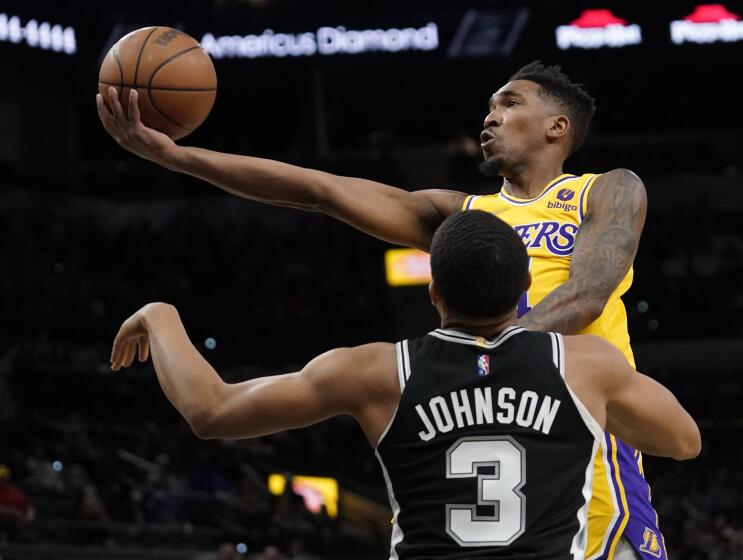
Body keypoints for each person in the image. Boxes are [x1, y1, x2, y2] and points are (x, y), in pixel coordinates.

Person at [98, 60, 655, 559]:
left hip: (594, 477)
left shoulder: (606, 189)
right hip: (485, 463)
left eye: (509, 104)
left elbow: (587, 294)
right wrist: (178, 157)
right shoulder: (462, 218)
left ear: (559, 127)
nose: (489, 117)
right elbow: (321, 189)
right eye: (489, 106)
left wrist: (479, 357)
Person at [110, 211, 700, 560]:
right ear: (524, 285)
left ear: (434, 293)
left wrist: (161, 315)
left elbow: (210, 410)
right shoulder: (584, 365)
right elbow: (683, 442)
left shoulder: (374, 373)